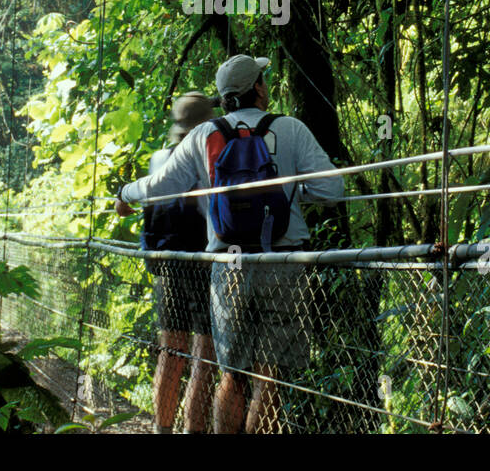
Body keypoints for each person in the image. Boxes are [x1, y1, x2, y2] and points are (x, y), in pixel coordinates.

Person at [115, 55, 343, 433]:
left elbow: (161, 187)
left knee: (231, 374)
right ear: (256, 88)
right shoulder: (290, 129)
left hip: (228, 264)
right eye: (263, 81)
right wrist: (288, 188)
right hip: (282, 261)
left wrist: (125, 192)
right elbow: (332, 190)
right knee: (270, 377)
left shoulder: (203, 135)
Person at [117, 92, 218, 434]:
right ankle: (194, 430)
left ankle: (162, 429)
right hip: (204, 264)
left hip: (167, 265)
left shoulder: (159, 159)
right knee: (204, 355)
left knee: (171, 351)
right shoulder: (205, 158)